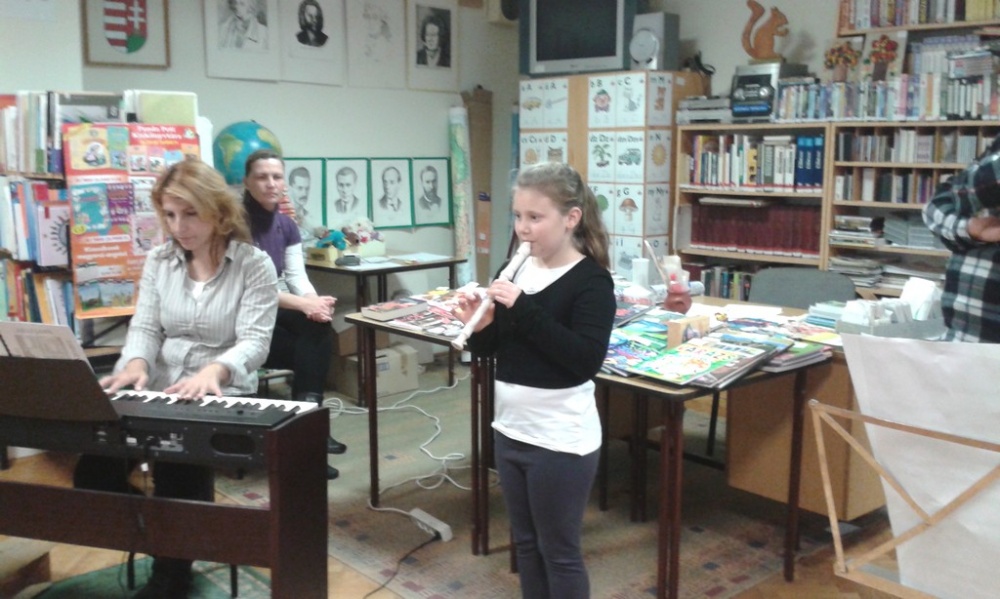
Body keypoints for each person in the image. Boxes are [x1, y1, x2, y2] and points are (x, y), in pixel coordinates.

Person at [73, 158, 279, 599]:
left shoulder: (254, 265)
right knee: (93, 472)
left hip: (221, 389)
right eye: (169, 214)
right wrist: (135, 364)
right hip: (162, 386)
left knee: (177, 467)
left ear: (218, 212)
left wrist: (214, 369)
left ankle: (172, 571)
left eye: (190, 214)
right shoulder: (160, 260)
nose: (178, 227)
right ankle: (165, 538)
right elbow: (146, 328)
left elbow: (255, 342)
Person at [453, 162, 615, 598]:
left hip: (560, 439)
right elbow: (500, 351)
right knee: (525, 545)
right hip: (511, 429)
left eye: (535, 217)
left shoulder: (592, 282)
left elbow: (583, 361)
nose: (523, 228)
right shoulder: (515, 269)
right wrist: (479, 327)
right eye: (518, 216)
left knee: (559, 552)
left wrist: (522, 308)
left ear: (571, 218)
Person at [242, 150, 347, 480]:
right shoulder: (235, 224)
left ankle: (308, 432)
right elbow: (249, 288)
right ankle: (308, 439)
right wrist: (303, 305)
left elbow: (296, 276)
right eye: (262, 177)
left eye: (276, 176)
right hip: (241, 318)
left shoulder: (286, 224)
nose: (271, 183)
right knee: (309, 347)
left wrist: (314, 303)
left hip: (273, 306)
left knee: (318, 328)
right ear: (247, 182)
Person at [923, 137, 1000, 342]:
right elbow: (933, 208)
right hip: (960, 338)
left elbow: (974, 187)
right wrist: (971, 229)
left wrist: (962, 189)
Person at [287, 165, 324, 247]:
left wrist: (316, 232)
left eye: (307, 189)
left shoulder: (310, 217)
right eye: (300, 188)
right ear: (290, 188)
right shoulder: (282, 216)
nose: (304, 193)